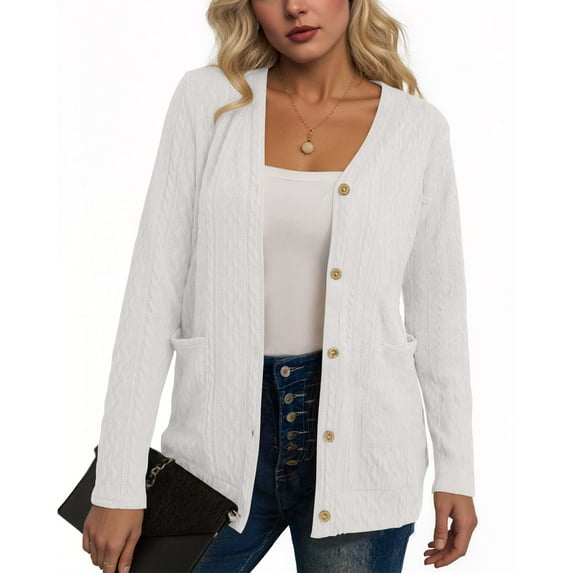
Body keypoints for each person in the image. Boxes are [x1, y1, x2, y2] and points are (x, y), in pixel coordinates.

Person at [82, 0, 478, 571]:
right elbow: (151, 294)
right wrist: (118, 480)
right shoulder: (208, 101)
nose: (295, 6)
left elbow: (439, 313)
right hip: (212, 451)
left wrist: (456, 471)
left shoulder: (418, 130)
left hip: (366, 451)